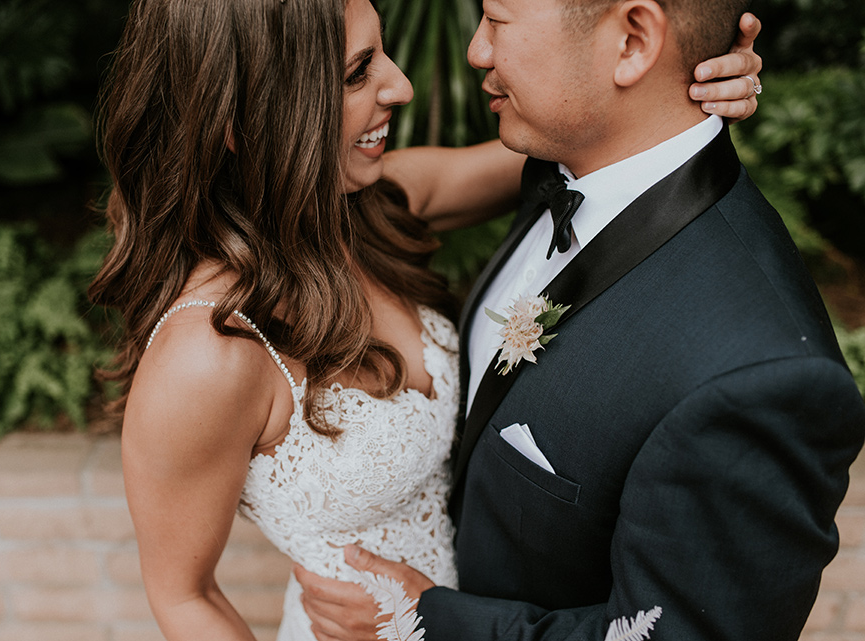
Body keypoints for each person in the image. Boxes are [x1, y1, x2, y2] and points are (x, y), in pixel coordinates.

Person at [88, 0, 764, 639]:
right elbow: (183, 594)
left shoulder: (379, 205)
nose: (401, 86)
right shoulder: (209, 353)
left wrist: (683, 91)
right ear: (242, 120)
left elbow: (593, 138)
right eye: (359, 72)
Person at [295, 1, 865, 640]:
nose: (476, 51)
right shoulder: (562, 157)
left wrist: (425, 622)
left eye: (498, 20)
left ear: (632, 40)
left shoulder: (758, 376)